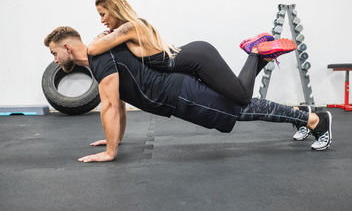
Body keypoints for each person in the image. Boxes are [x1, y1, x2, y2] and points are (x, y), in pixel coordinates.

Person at [44, 26, 333, 163]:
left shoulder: (99, 58)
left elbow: (108, 105)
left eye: (55, 52)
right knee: (238, 102)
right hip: (177, 89)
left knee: (239, 108)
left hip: (178, 93)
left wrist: (110, 153)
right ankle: (301, 119)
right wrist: (114, 139)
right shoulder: (100, 55)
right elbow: (118, 103)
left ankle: (314, 121)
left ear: (67, 47)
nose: (55, 59)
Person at [87, 0, 296, 106]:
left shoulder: (129, 28)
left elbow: (92, 49)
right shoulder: (131, 28)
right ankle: (262, 56)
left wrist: (103, 36)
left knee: (241, 97)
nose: (102, 20)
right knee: (235, 94)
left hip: (198, 58)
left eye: (103, 14)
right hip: (196, 56)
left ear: (114, 11)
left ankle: (255, 50)